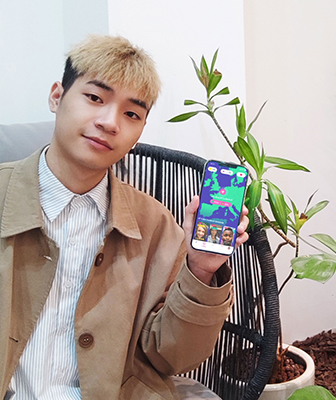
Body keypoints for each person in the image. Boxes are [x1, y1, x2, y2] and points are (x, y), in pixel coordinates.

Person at [0, 35, 249, 400]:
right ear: (57, 96)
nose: (109, 122)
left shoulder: (156, 226)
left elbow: (173, 357)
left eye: (132, 114)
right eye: (94, 98)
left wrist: (201, 270)